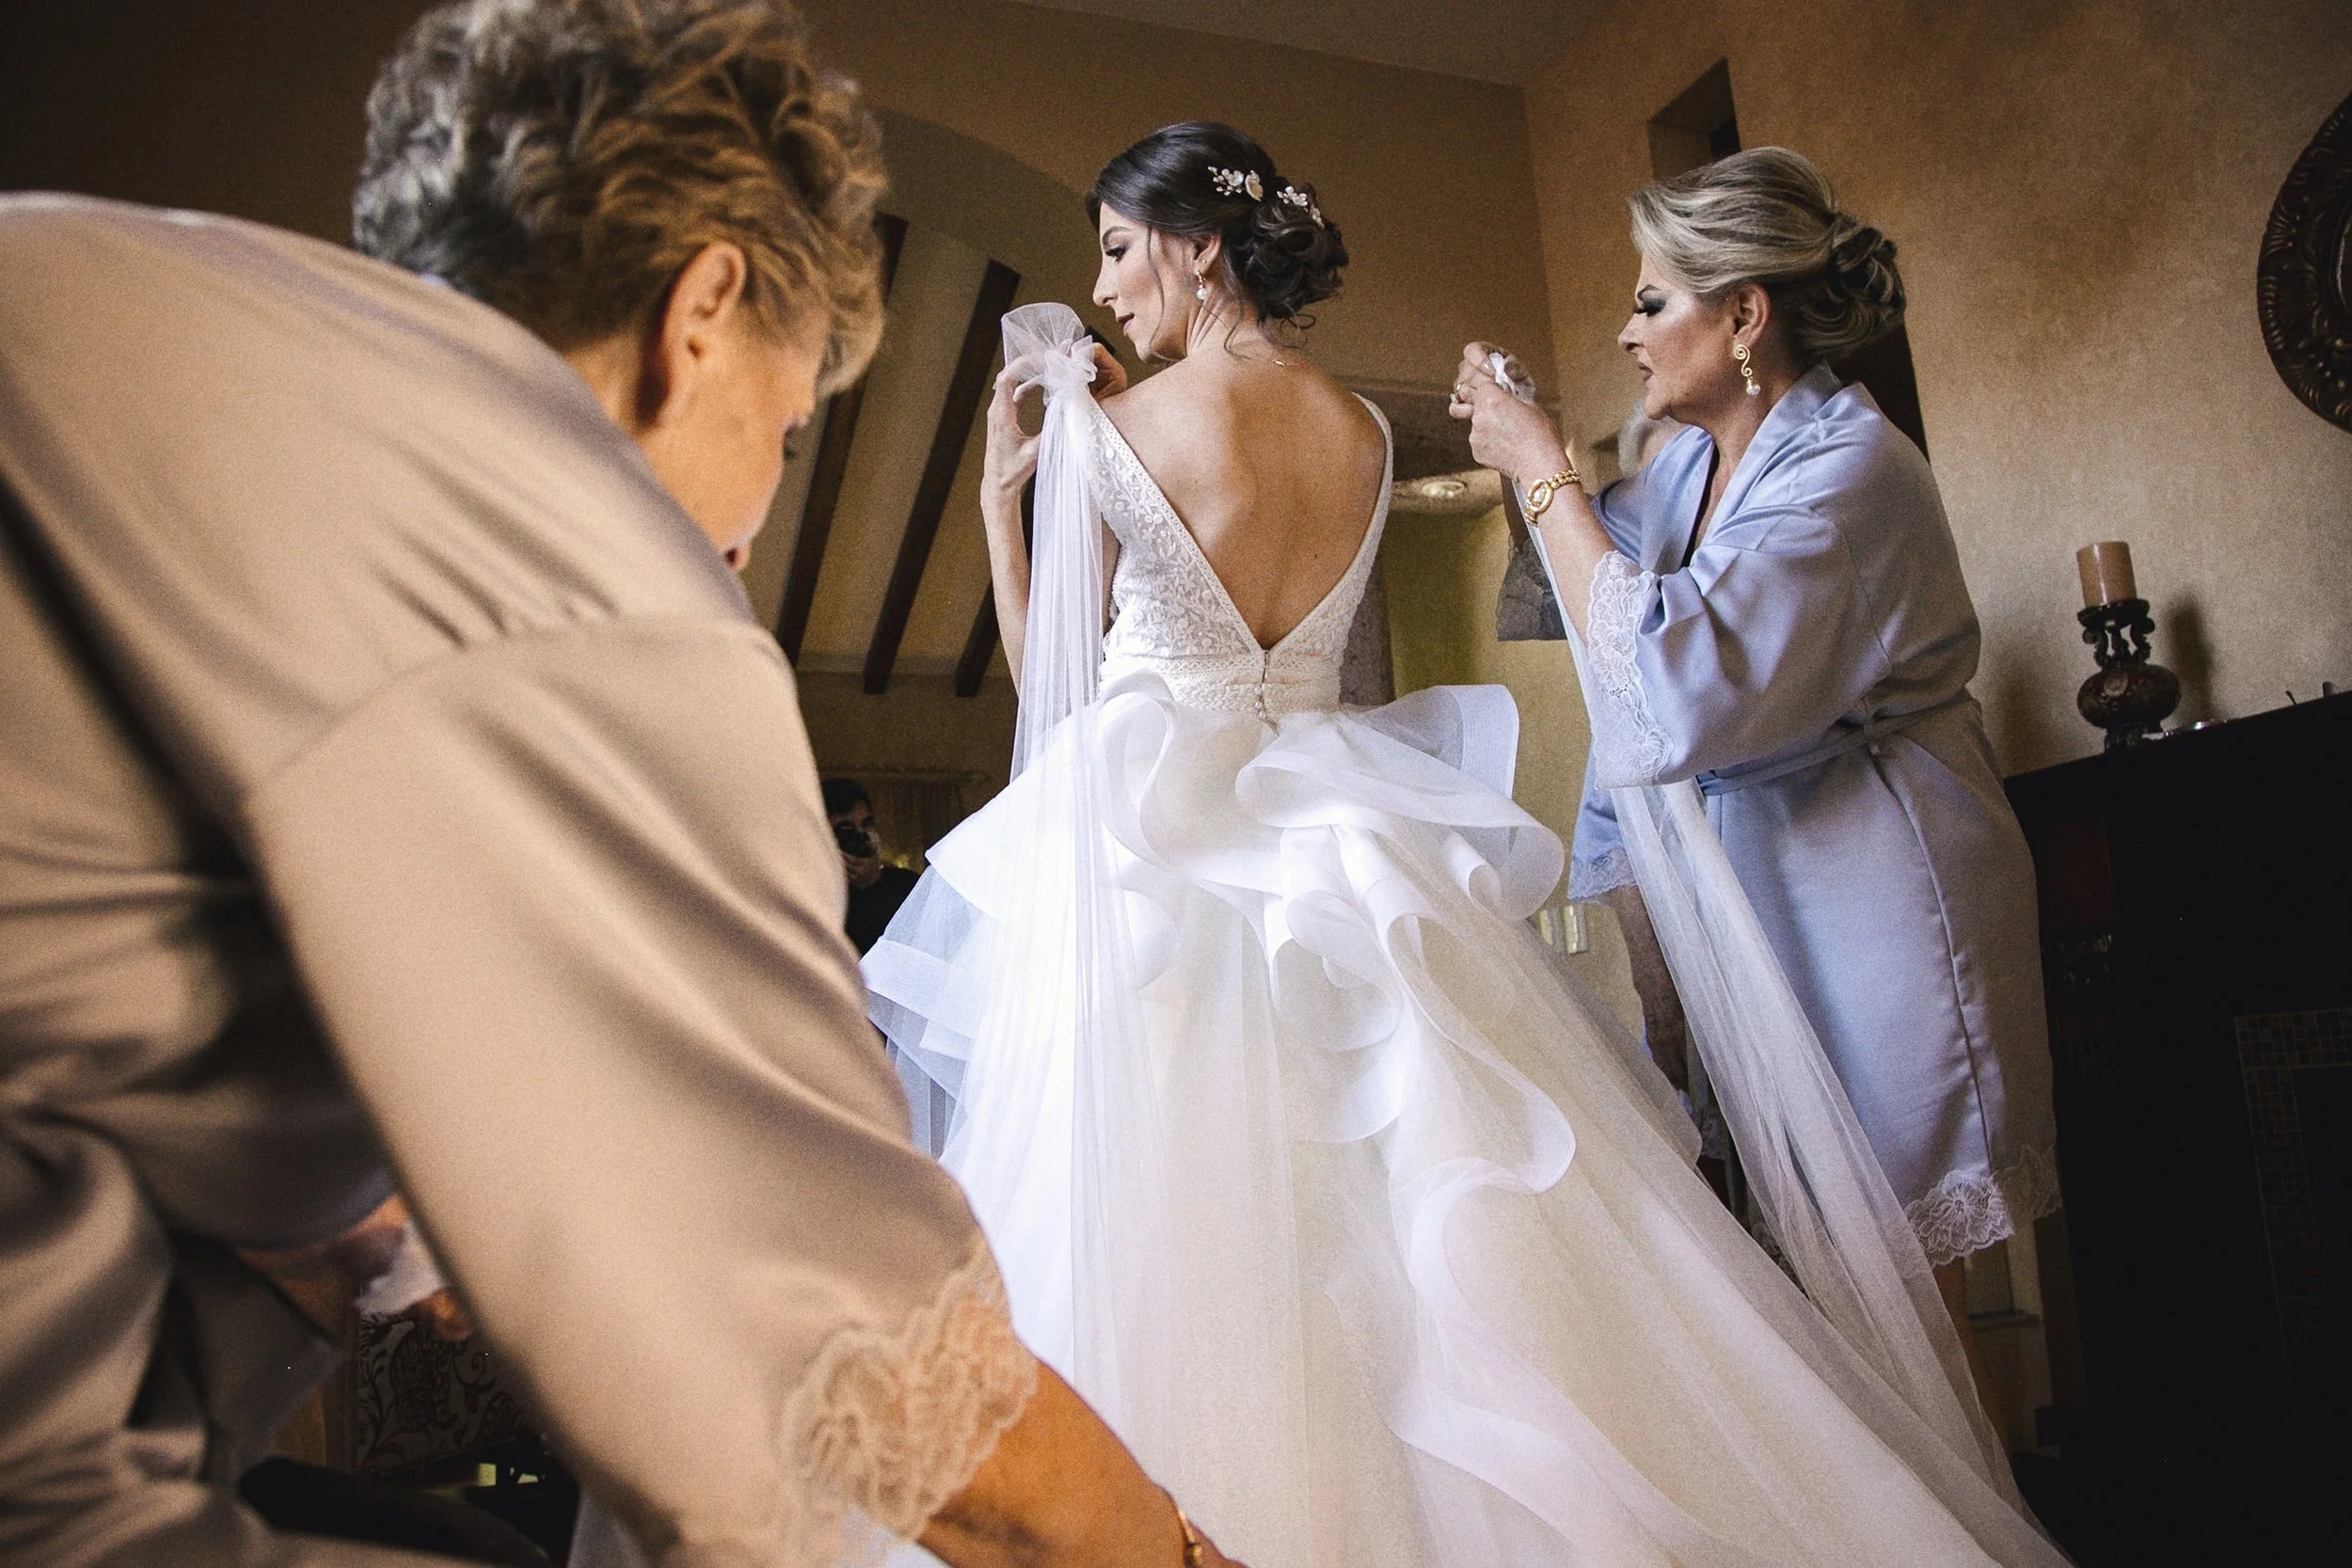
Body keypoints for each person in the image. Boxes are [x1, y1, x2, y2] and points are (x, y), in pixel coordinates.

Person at [0, 3, 1246, 1565]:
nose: (746, 527)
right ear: (704, 310)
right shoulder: (575, 548)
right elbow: (863, 1350)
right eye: (789, 431)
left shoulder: (105, 286)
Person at [865, 121, 2070, 1568]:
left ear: (1199, 246)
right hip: (1339, 830)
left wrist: (1010, 501)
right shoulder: (1364, 435)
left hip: (1161, 845)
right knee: (1451, 1225)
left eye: (1121, 247)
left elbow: (1051, 687)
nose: (1107, 288)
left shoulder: (1110, 433)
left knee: (1161, 1239)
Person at [1452, 146, 2059, 1426]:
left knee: (1906, 1272)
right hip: (1756, 882)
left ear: (1743, 314)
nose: (1626, 331)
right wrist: (1630, 900)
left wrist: (1545, 457)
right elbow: (1593, 615)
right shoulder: (1680, 469)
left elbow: (1676, 680)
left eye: (1652, 300)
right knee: (1812, 1279)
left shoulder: (1850, 469)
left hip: (1879, 882)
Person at [823, 778, 922, 954]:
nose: (861, 836)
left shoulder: (907, 885)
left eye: (867, 825)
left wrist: (873, 883)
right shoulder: (808, 896)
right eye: (846, 830)